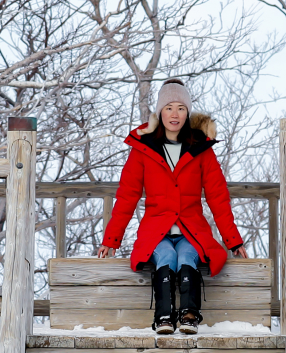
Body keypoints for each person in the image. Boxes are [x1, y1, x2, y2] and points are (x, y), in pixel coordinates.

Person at [98, 78, 246, 335]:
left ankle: (189, 316)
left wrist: (233, 240)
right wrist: (111, 240)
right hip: (157, 230)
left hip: (191, 230)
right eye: (168, 107)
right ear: (159, 112)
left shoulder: (201, 149)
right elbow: (127, 197)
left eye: (180, 107)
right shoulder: (143, 149)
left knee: (187, 256)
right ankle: (164, 316)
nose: (174, 114)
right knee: (166, 257)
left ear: (187, 112)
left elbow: (218, 197)